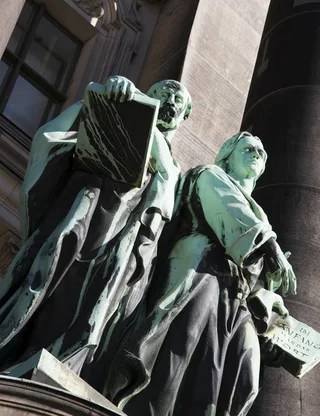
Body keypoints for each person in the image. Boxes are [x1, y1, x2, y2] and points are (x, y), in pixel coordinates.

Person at [0, 76, 192, 377]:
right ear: (148, 95)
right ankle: (15, 356)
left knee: (97, 307)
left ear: (184, 117)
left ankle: (60, 367)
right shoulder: (128, 113)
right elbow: (53, 136)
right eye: (163, 94)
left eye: (178, 101)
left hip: (128, 238)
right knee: (48, 279)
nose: (170, 102)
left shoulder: (178, 171)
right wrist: (111, 94)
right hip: (87, 210)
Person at [104, 132, 297, 416]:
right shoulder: (208, 175)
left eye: (261, 151)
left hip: (236, 296)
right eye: (249, 148)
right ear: (227, 157)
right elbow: (229, 212)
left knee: (246, 370)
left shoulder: (260, 215)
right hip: (199, 270)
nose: (257, 153)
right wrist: (270, 246)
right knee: (180, 347)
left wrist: (272, 318)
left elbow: (255, 275)